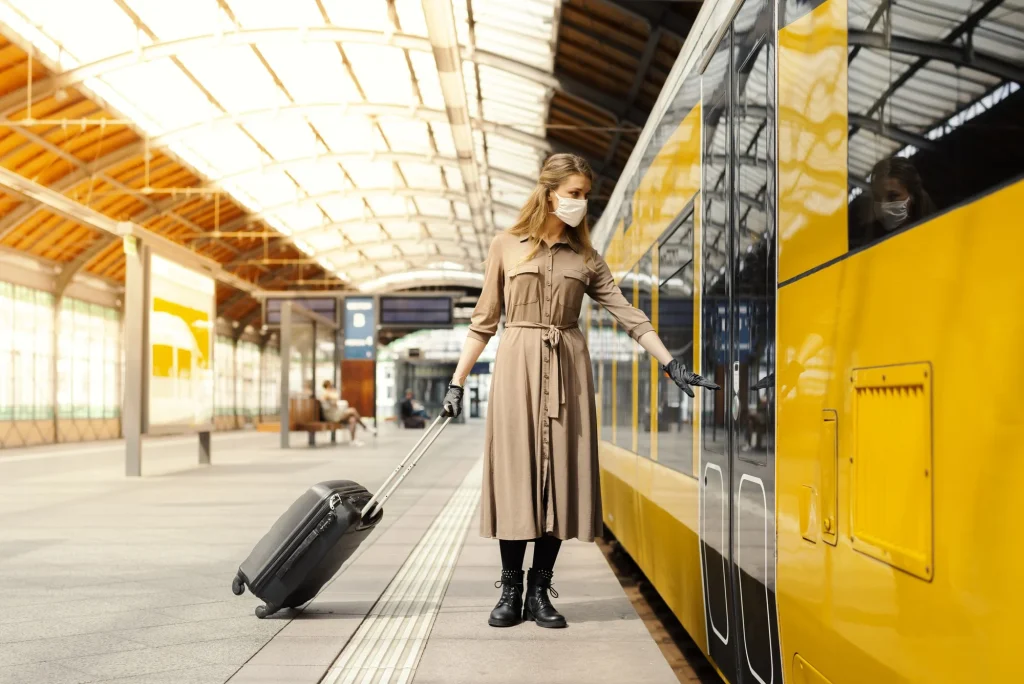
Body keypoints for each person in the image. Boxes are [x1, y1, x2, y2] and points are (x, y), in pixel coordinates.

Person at [440, 153, 720, 629]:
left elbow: (627, 314)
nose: (580, 204)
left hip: (568, 369)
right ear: (549, 192)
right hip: (517, 368)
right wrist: (456, 382)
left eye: (585, 196)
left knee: (561, 477)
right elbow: (483, 322)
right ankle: (510, 589)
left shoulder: (586, 258)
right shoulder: (506, 245)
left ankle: (539, 591)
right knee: (518, 476)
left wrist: (671, 363)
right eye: (573, 194)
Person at [849, 156, 935, 249]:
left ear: (913, 195)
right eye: (878, 198)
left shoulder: (936, 235)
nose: (883, 206)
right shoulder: (865, 246)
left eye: (893, 196)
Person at [320, 380, 376, 445]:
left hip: (336, 414)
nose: (332, 387)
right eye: (331, 386)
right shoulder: (325, 394)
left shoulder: (329, 393)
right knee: (352, 410)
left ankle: (353, 440)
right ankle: (365, 427)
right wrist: (334, 392)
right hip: (332, 416)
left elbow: (335, 402)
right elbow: (335, 397)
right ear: (327, 386)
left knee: (352, 419)